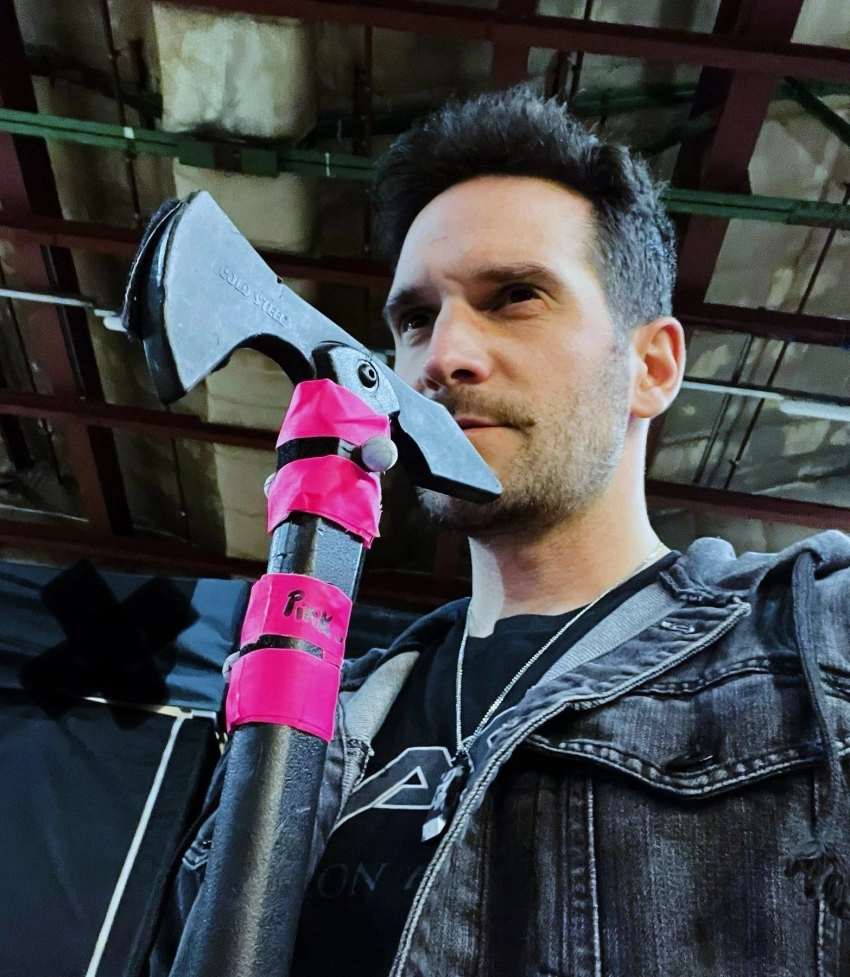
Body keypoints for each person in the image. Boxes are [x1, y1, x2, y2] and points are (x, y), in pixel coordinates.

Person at [152, 90, 850, 976]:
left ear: (652, 364)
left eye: (516, 296)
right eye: (416, 319)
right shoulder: (310, 727)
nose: (442, 357)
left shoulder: (820, 638)